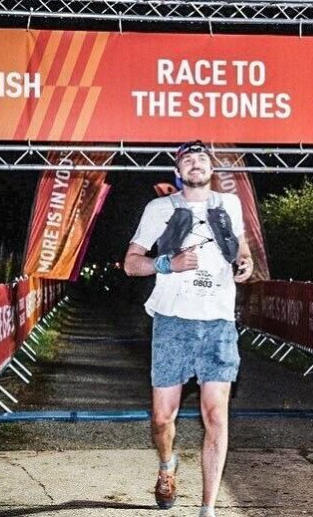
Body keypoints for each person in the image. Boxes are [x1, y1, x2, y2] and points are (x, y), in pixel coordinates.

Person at [124, 140, 254, 517]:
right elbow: (131, 264)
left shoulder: (228, 203)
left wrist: (244, 263)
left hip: (219, 323)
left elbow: (242, 247)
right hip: (173, 322)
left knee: (216, 415)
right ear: (178, 171)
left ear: (211, 168)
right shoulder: (159, 208)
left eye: (202, 159)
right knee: (163, 417)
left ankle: (207, 508)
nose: (196, 164)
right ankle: (167, 466)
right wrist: (167, 264)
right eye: (188, 160)